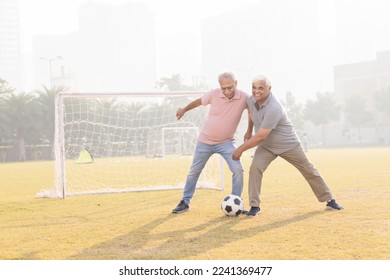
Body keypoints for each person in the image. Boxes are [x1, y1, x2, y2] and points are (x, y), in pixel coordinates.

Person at [232, 73, 343, 216]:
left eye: (261, 88)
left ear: (269, 88)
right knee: (255, 169)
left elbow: (261, 136)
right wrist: (248, 130)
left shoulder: (274, 108)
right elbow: (250, 113)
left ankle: (329, 200)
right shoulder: (251, 100)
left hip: (288, 145)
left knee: (308, 170)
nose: (256, 91)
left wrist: (240, 149)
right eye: (254, 88)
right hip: (267, 146)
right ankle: (255, 206)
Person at [172, 71, 250, 214]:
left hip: (227, 143)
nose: (227, 91)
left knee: (238, 169)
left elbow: (251, 111)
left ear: (236, 84)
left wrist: (249, 130)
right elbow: (199, 102)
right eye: (223, 88)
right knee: (194, 172)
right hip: (205, 142)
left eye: (230, 87)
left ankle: (236, 202)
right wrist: (184, 109)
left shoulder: (244, 97)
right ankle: (185, 202)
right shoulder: (214, 94)